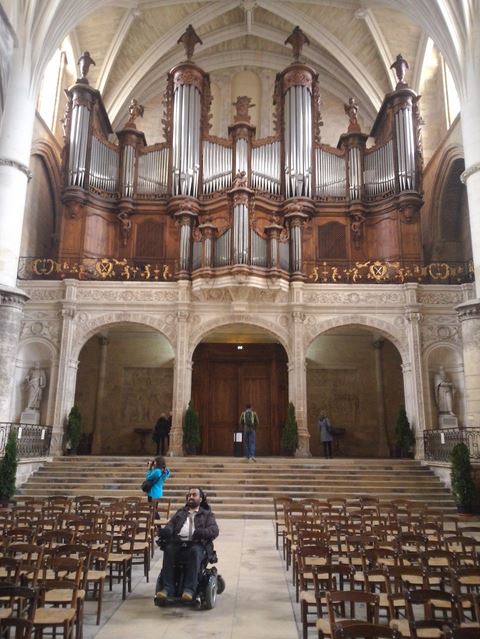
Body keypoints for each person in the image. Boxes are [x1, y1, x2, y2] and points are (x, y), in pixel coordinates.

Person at [156, 487, 219, 601]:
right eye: (189, 495)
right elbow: (171, 524)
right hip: (179, 543)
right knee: (169, 549)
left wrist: (201, 532)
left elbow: (214, 530)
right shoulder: (181, 513)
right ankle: (167, 588)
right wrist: (168, 530)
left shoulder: (207, 514)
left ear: (200, 499)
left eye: (194, 495)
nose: (191, 497)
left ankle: (189, 590)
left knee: (194, 551)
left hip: (198, 544)